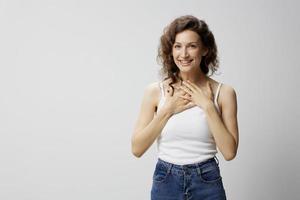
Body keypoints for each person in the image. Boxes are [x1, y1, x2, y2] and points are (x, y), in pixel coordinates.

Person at [131, 15, 239, 200]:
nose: (184, 54)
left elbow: (229, 152)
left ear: (205, 49)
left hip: (207, 180)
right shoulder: (155, 92)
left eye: (192, 46)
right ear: (170, 50)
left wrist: (207, 106)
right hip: (166, 180)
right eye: (178, 46)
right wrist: (167, 111)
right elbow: (137, 148)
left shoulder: (224, 93)